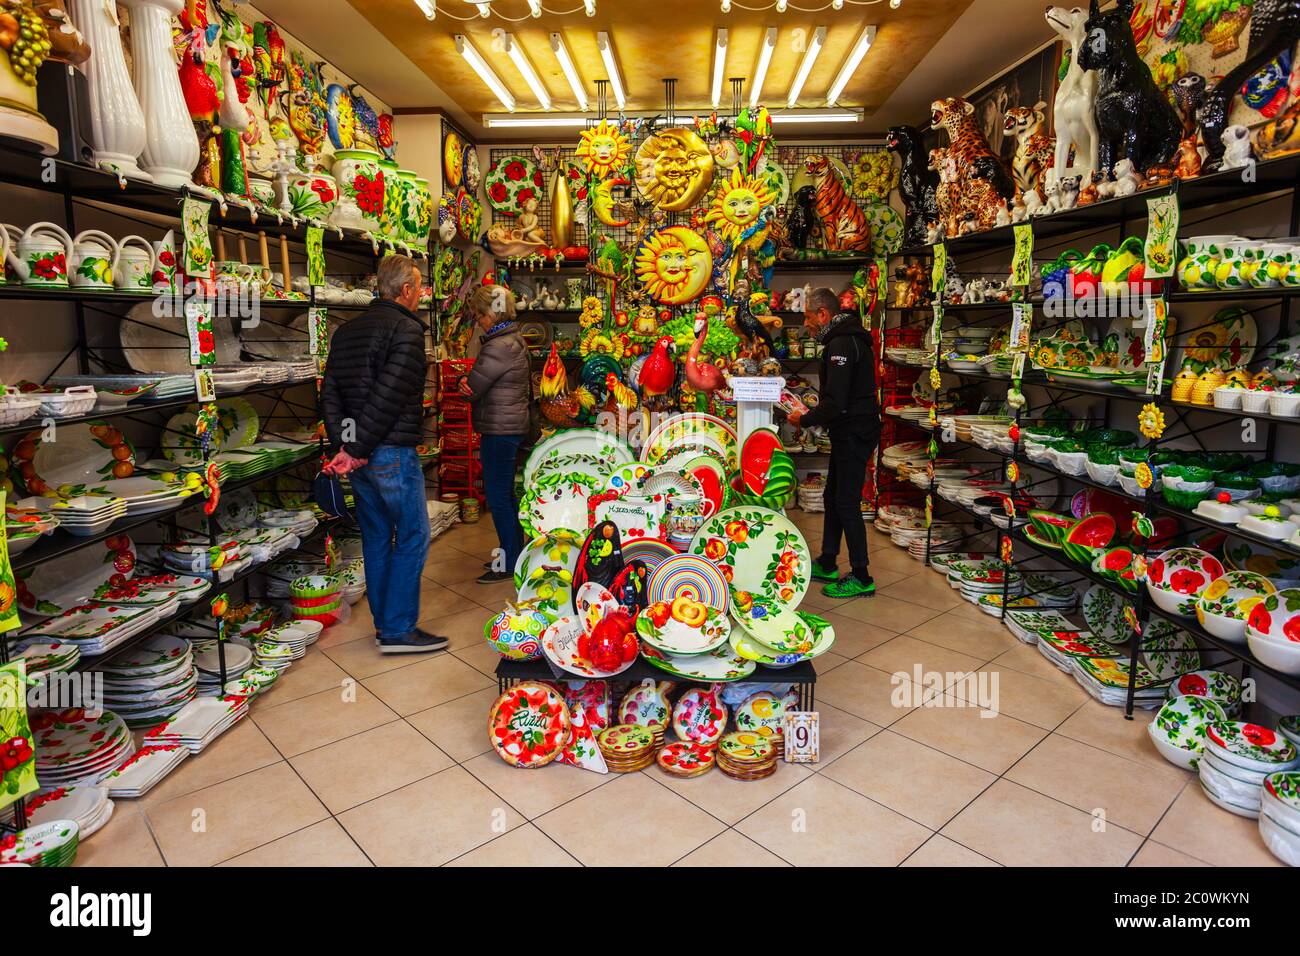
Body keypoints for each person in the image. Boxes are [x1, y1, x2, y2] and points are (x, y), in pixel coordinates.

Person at [321, 255, 447, 653]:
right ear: (406, 290)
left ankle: (386, 624)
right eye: (419, 285)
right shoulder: (406, 332)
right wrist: (356, 449)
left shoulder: (346, 332)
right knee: (412, 534)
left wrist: (348, 446)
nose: (421, 292)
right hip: (389, 451)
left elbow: (331, 394)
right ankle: (397, 630)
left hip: (359, 453)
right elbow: (388, 396)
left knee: (376, 537)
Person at [787, 287, 881, 598]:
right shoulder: (843, 339)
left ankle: (861, 574)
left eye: (808, 317)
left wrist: (803, 419)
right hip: (848, 430)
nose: (807, 324)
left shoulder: (842, 342)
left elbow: (836, 402)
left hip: (855, 431)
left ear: (823, 314)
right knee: (832, 496)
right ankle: (828, 560)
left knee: (847, 503)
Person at [459, 284, 530, 584]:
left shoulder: (499, 345)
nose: (478, 321)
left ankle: (509, 562)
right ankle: (513, 555)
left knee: (498, 497)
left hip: (500, 430)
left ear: (492, 312)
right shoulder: (511, 338)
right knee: (506, 496)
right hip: (509, 427)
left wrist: (466, 382)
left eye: (480, 315)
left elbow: (473, 387)